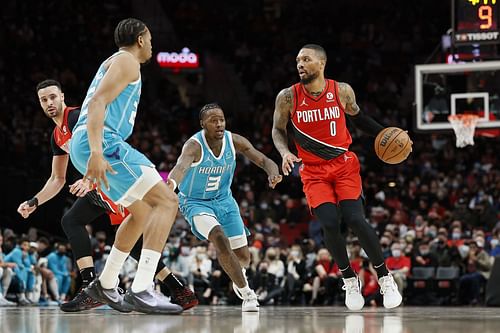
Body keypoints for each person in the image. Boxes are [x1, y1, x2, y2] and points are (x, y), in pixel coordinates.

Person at [17, 79, 196, 311]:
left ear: (62, 97)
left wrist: (88, 177)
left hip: (115, 178)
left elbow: (100, 142)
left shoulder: (76, 117)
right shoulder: (56, 136)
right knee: (94, 229)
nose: (49, 102)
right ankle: (176, 288)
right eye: (44, 99)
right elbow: (57, 179)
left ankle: (95, 286)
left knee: (87, 226)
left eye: (53, 97)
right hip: (102, 185)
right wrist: (35, 201)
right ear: (40, 104)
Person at [272, 44, 404, 310]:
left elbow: (360, 118)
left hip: (343, 165)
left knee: (355, 218)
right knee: (330, 223)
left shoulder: (341, 90)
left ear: (321, 63)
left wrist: (389, 134)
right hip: (313, 171)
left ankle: (385, 277)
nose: (300, 64)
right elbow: (277, 130)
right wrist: (285, 152)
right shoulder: (287, 97)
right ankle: (348, 279)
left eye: (306, 59)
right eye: (297, 59)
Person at [69, 18, 183, 314]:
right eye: (151, 39)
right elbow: (96, 104)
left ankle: (106, 283)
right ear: (141, 39)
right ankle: (143, 288)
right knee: (167, 202)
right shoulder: (128, 61)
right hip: (103, 142)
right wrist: (96, 151)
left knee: (142, 212)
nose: (152, 45)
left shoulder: (115, 61)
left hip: (90, 143)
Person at [168, 103, 282, 311]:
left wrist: (272, 172)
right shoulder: (193, 146)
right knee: (219, 237)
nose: (219, 124)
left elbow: (263, 159)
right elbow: (180, 167)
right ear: (203, 124)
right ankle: (248, 294)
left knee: (244, 258)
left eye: (221, 119)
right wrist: (170, 185)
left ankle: (238, 276)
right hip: (195, 202)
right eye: (213, 120)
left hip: (225, 200)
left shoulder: (234, 140)